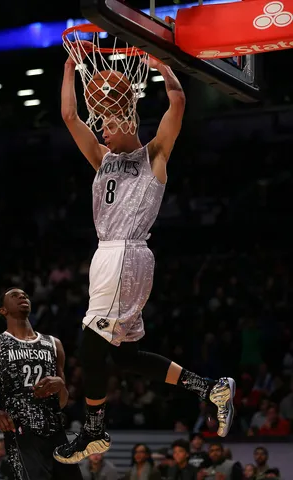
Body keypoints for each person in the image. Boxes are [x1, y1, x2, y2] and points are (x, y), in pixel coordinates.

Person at [54, 48, 236, 464]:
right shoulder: (101, 158)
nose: (101, 128)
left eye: (107, 121)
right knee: (124, 355)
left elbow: (179, 101)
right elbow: (69, 118)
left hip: (125, 253)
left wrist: (163, 66)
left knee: (90, 342)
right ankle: (211, 388)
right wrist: (69, 67)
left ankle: (94, 431)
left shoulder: (153, 154)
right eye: (99, 121)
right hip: (111, 258)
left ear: (128, 119)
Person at [0, 287, 82, 480]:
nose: (21, 296)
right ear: (3, 310)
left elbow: (62, 402)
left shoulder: (53, 343)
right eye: (14, 296)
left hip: (57, 432)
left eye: (24, 295)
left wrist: (61, 386)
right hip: (20, 434)